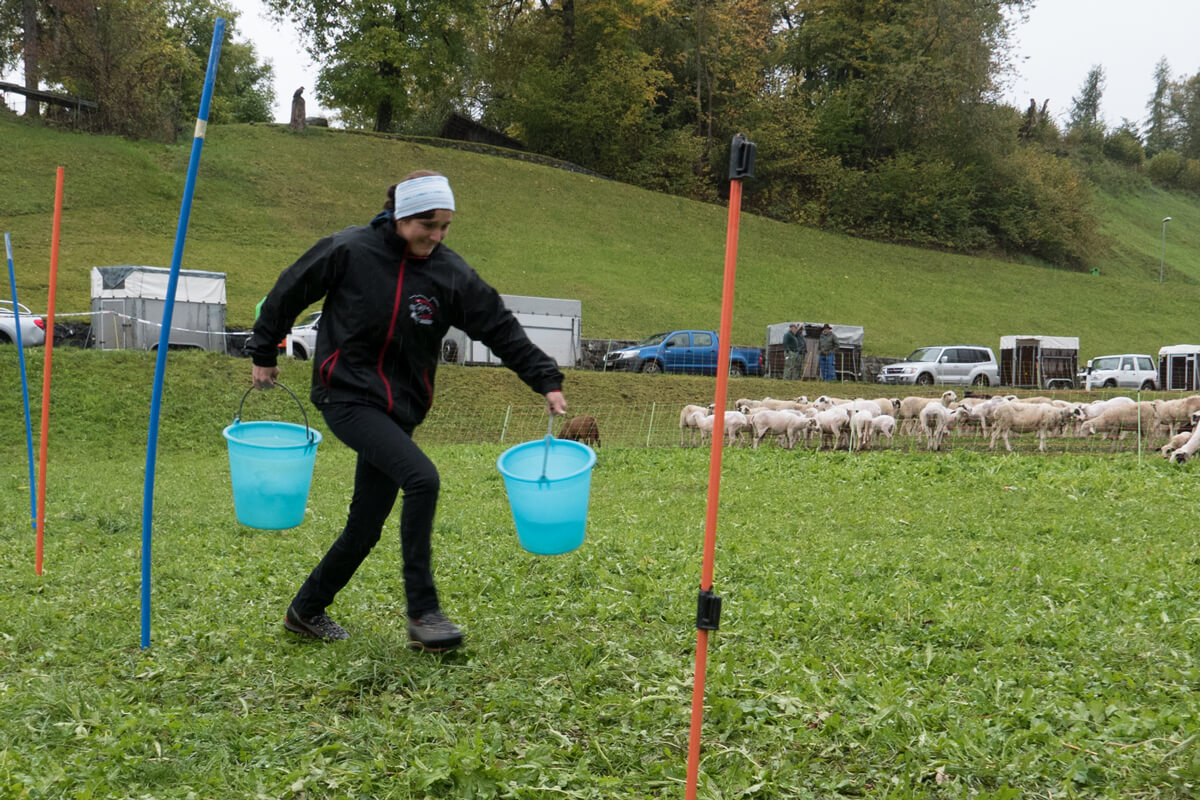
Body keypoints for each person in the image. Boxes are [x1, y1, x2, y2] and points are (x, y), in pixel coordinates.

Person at [246, 171, 567, 651]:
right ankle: (424, 613)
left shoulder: (449, 273)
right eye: (427, 224)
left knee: (365, 525)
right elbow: (291, 288)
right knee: (422, 479)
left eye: (445, 227)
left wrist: (544, 378)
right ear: (400, 215)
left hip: (401, 409)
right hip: (346, 394)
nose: (435, 236)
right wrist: (264, 351)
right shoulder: (349, 250)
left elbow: (498, 327)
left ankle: (305, 610)